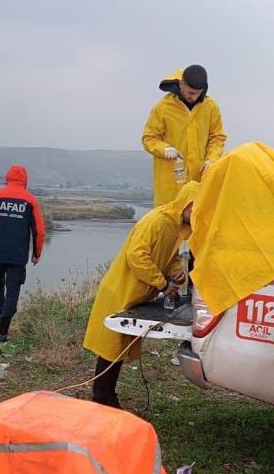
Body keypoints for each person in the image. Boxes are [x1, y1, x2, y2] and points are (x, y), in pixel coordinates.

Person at [83, 181, 200, 408]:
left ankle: (106, 395)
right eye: (197, 209)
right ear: (188, 203)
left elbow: (172, 256)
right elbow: (136, 256)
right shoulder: (157, 221)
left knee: (120, 346)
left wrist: (176, 272)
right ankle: (101, 397)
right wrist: (162, 284)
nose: (199, 214)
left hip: (137, 294)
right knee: (111, 347)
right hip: (121, 290)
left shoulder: (176, 228)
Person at [0, 164, 46, 342]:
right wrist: (37, 253)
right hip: (18, 255)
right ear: (25, 180)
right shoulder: (31, 200)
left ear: (7, 178)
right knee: (13, 290)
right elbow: (40, 230)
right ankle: (3, 332)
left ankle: (0, 321)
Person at [141, 65, 226, 207]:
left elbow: (217, 138)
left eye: (198, 93)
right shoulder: (163, 107)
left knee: (197, 221)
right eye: (190, 92)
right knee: (167, 220)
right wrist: (165, 149)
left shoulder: (211, 107)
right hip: (170, 182)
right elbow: (149, 138)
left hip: (199, 180)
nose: (193, 97)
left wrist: (212, 159)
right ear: (181, 84)